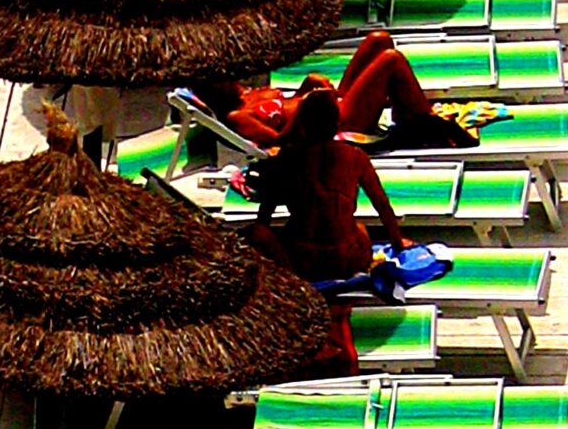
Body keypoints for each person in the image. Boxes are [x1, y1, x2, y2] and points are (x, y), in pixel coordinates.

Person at [193, 31, 474, 151]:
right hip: (332, 124)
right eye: (219, 77)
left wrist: (306, 88)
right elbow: (280, 143)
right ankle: (426, 122)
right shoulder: (237, 116)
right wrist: (308, 107)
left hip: (331, 104)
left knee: (379, 40)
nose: (228, 74)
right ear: (211, 89)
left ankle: (408, 114)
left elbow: (287, 102)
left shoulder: (249, 92)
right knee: (390, 59)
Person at [251, 88, 411, 282]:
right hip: (348, 260)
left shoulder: (288, 158)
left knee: (258, 233)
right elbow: (382, 205)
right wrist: (398, 243)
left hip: (303, 261)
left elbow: (265, 215)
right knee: (359, 228)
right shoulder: (355, 157)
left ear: (303, 125)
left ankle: (292, 280)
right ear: (337, 124)